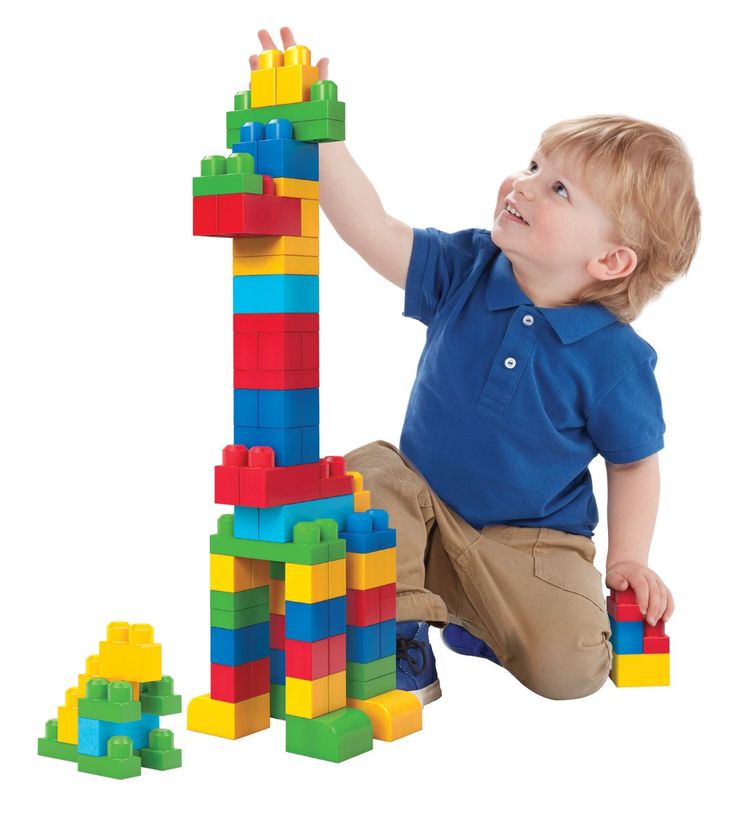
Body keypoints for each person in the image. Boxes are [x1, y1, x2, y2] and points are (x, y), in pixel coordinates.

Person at [250, 28, 701, 702]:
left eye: (558, 190)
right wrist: (321, 135)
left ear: (610, 261)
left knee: (572, 671)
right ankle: (401, 630)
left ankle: (479, 620)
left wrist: (628, 558)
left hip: (533, 543)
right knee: (362, 478)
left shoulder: (615, 359)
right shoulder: (465, 270)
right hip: (423, 509)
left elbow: (634, 461)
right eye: (531, 165)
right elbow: (372, 228)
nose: (521, 186)